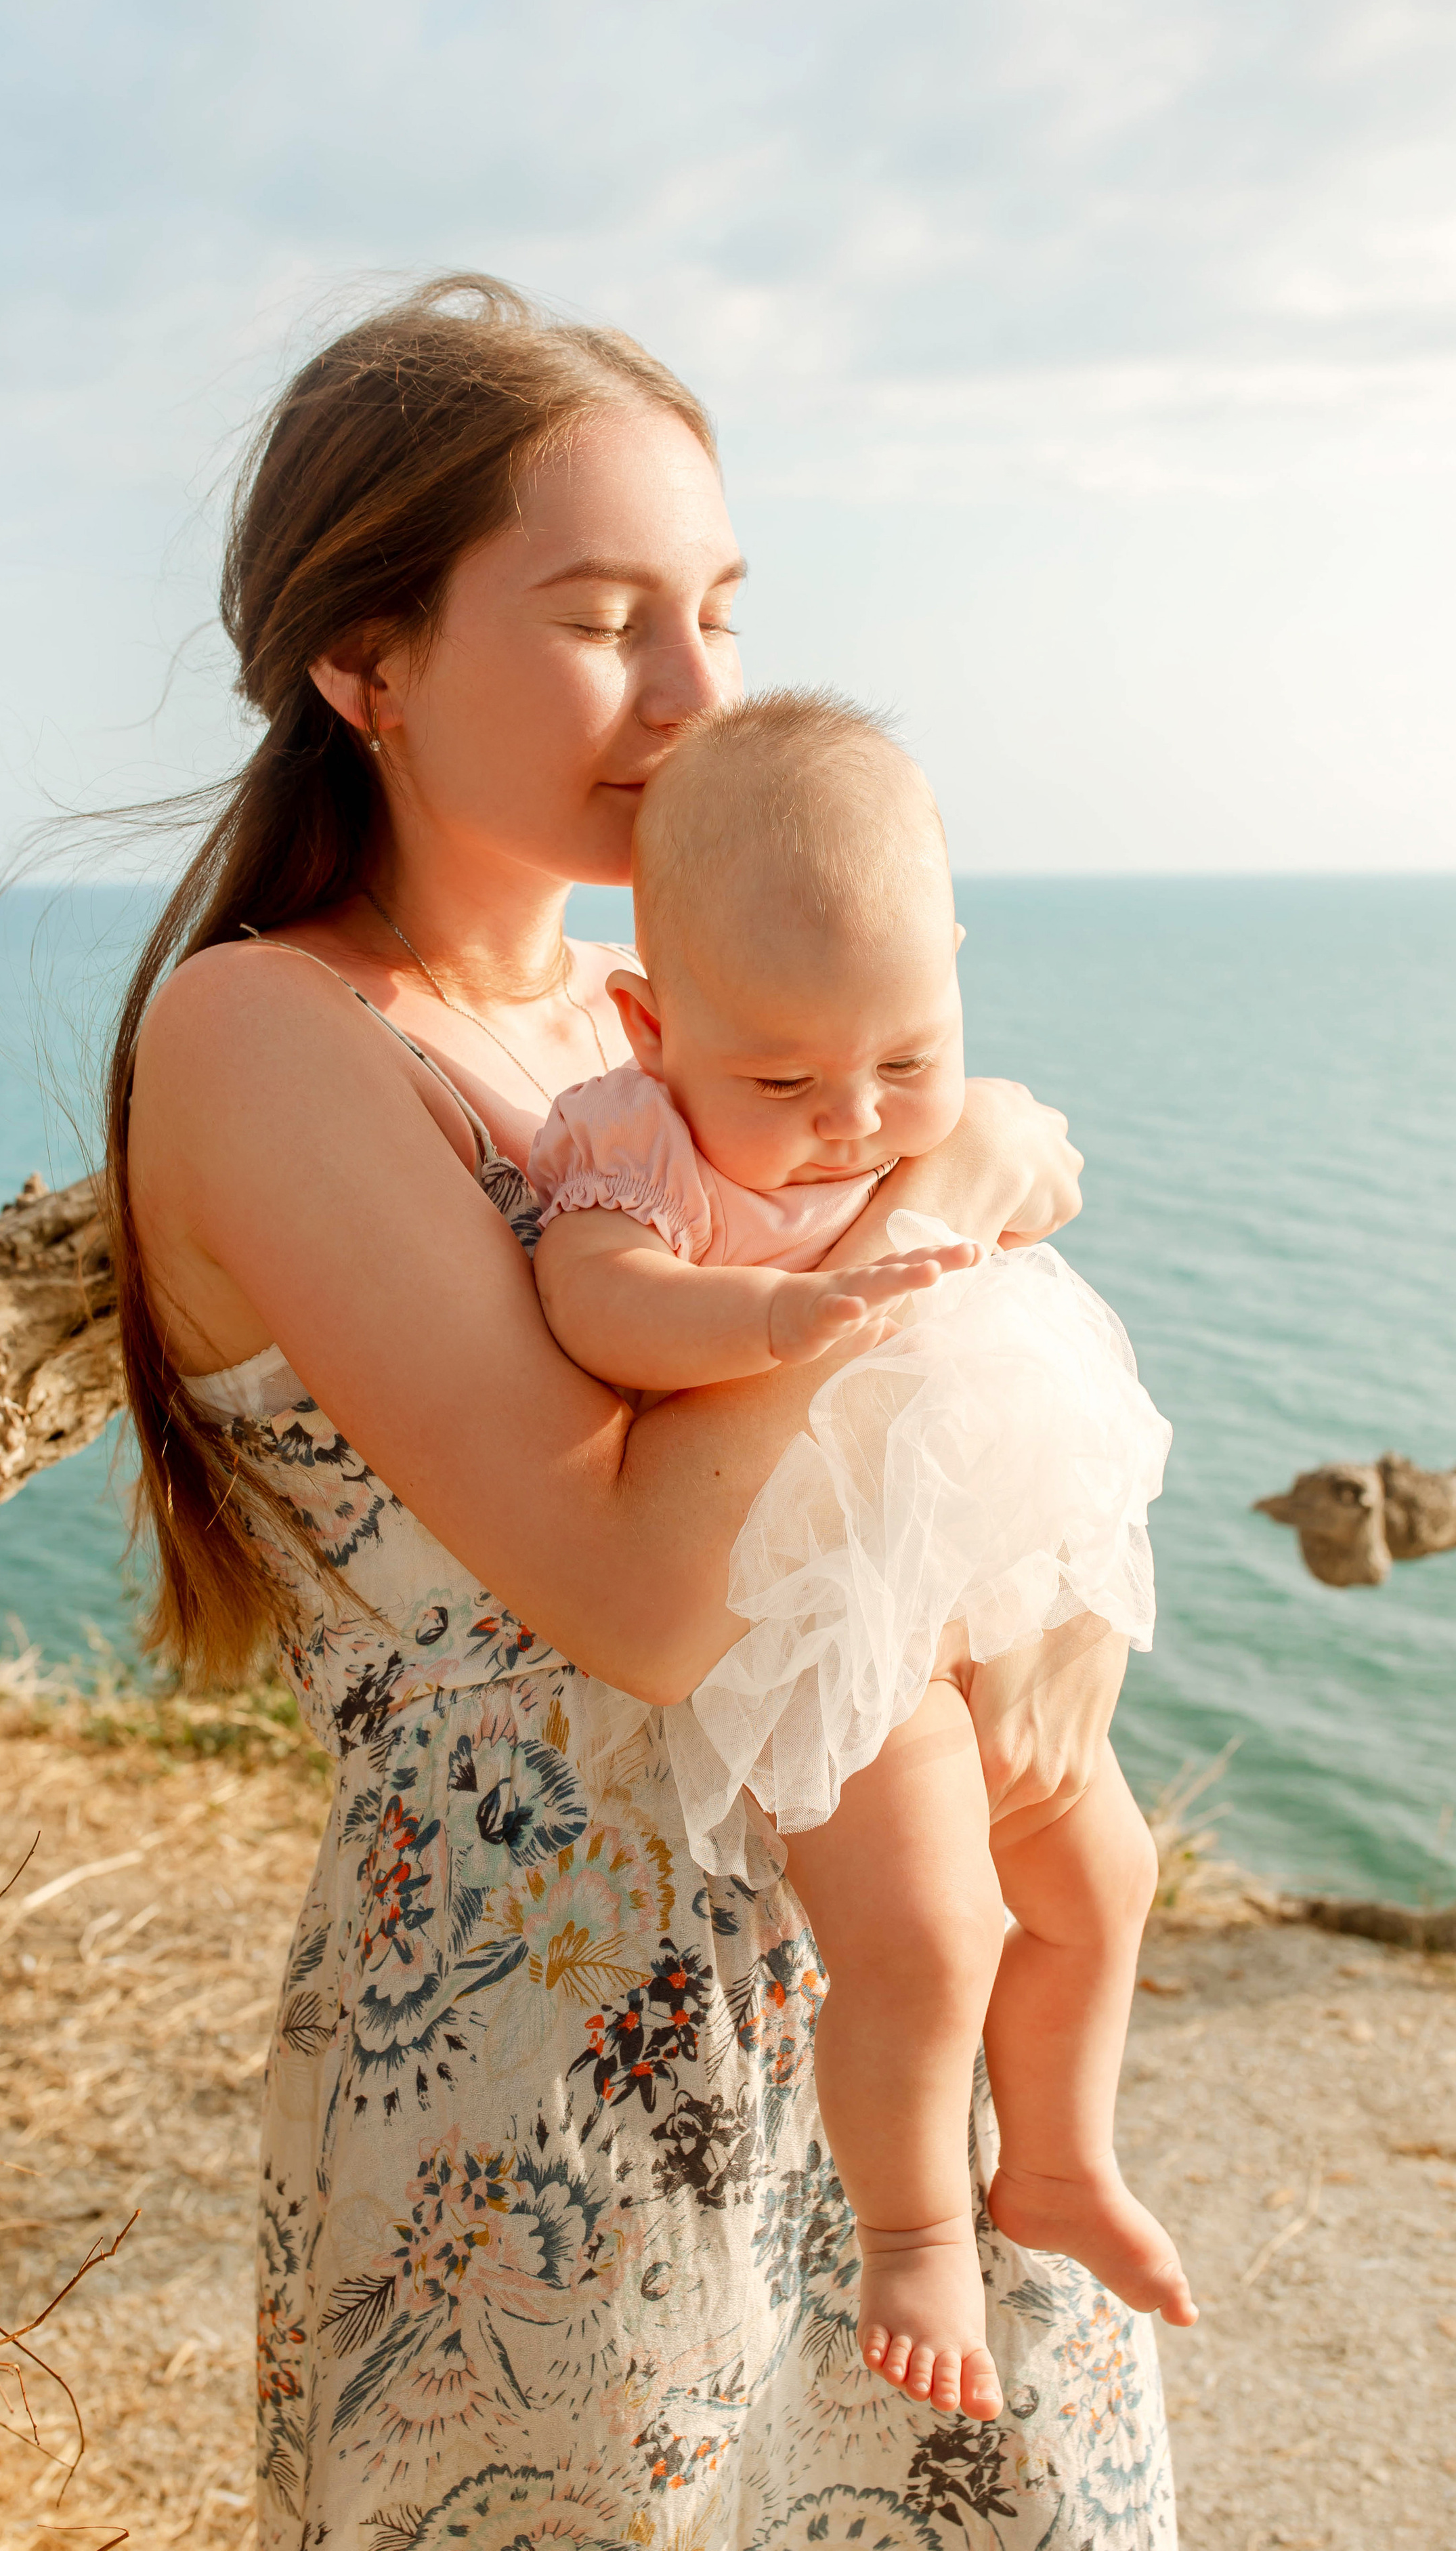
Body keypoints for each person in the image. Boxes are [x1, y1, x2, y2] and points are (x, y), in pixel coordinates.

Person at [112, 274, 1176, 2546]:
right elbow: (630, 1595)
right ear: (362, 664)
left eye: (717, 608)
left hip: (892, 2022)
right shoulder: (272, 1033)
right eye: (606, 621)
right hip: (559, 2084)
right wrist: (956, 1191)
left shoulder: (654, 1009)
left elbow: (923, 1453)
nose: (703, 699)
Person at [528, 689, 1195, 2427]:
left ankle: (1051, 2155)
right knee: (929, 1926)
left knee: (1101, 1881)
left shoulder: (940, 1117)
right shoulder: (633, 1141)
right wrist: (774, 1307)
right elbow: (592, 1303)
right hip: (827, 1625)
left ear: (950, 974)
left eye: (905, 1060)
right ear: (648, 1019)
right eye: (782, 1079)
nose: (854, 1119)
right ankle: (915, 2228)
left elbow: (1019, 1234)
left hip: (983, 1580)